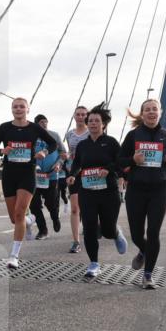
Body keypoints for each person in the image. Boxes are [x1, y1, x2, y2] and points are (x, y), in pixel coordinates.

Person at [0, 98, 59, 269]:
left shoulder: (34, 128)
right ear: (11, 109)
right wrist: (1, 150)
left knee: (19, 212)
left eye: (22, 106)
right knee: (15, 219)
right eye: (15, 106)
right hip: (9, 174)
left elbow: (53, 143)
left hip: (27, 173)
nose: (18, 109)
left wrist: (43, 151)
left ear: (28, 109)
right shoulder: (4, 127)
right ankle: (30, 220)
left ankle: (14, 255)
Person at [118, 98, 166, 289]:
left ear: (160, 113)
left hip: (158, 189)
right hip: (136, 189)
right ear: (142, 114)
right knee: (136, 235)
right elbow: (120, 161)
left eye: (155, 109)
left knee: (153, 233)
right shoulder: (133, 135)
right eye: (147, 110)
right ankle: (144, 251)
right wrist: (133, 160)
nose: (151, 112)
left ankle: (148, 275)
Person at [66, 103, 127, 278]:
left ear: (103, 124)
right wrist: (72, 175)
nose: (92, 123)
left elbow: (121, 162)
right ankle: (94, 263)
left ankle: (115, 232)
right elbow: (77, 163)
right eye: (90, 120)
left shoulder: (111, 142)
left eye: (96, 121)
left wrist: (109, 168)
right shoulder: (83, 145)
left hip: (108, 191)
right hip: (88, 191)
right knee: (90, 227)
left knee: (107, 229)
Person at [29, 114, 64, 240]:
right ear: (36, 124)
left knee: (50, 203)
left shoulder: (54, 136)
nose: (44, 124)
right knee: (34, 205)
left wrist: (58, 164)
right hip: (35, 175)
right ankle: (43, 230)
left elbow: (63, 153)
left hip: (51, 175)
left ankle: (55, 217)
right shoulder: (31, 136)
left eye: (46, 121)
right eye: (41, 122)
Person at [65, 106, 89, 253]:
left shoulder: (91, 132)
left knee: (88, 207)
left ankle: (93, 225)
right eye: (78, 114)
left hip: (89, 173)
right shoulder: (69, 134)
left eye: (83, 115)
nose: (80, 117)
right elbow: (71, 152)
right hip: (73, 173)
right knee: (75, 208)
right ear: (74, 116)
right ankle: (76, 241)